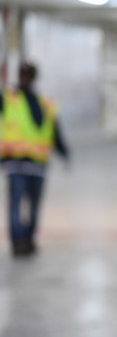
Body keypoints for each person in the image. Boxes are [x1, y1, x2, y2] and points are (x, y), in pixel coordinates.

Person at [1, 61, 71, 257]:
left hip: (38, 165)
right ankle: (18, 243)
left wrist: (64, 153)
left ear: (32, 78)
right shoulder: (9, 98)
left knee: (33, 206)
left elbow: (55, 133)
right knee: (15, 204)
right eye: (21, 74)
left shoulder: (45, 103)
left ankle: (29, 240)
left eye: (27, 75)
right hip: (15, 163)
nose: (23, 78)